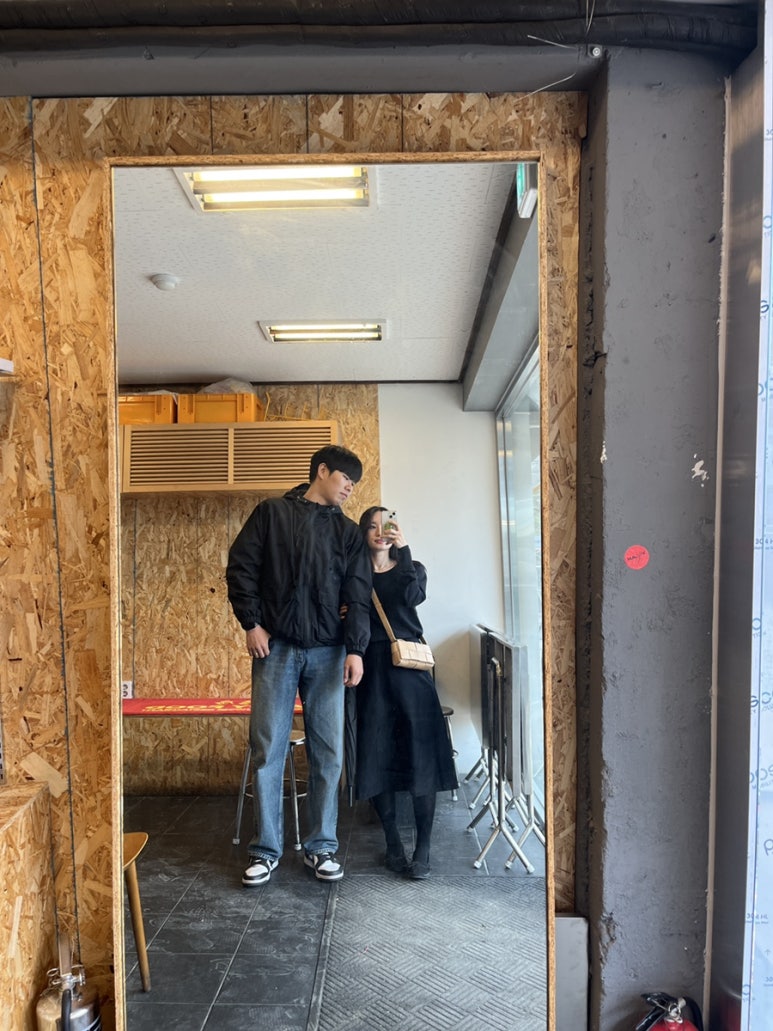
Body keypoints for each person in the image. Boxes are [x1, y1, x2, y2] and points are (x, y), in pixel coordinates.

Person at [226, 444, 372, 887]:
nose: (350, 488)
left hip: (330, 653)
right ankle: (266, 850)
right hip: (276, 649)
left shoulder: (348, 532)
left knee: (328, 751)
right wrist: (251, 623)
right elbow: (241, 568)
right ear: (322, 471)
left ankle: (321, 847)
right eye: (345, 478)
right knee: (267, 749)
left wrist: (356, 649)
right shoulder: (271, 513)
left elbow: (358, 592)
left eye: (354, 483)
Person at [354, 506, 457, 879]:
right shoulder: (356, 574)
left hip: (410, 671)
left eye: (388, 526)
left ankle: (423, 847)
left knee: (421, 755)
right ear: (364, 533)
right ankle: (393, 844)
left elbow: (414, 597)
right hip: (371, 671)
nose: (380, 532)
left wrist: (406, 549)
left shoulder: (413, 568)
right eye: (373, 527)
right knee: (377, 754)